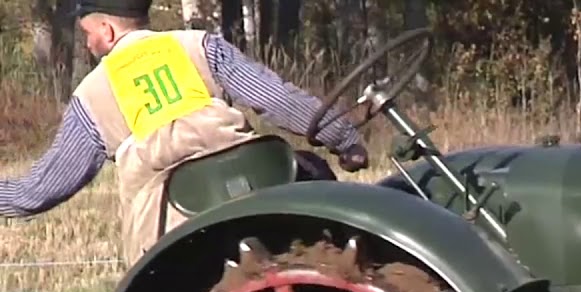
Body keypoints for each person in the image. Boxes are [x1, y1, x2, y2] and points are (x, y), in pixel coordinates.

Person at [0, 0, 370, 262]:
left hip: (168, 240)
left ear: (107, 30)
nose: (87, 44)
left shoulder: (92, 97)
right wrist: (344, 138)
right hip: (257, 196)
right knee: (313, 171)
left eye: (87, 34)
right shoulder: (201, 46)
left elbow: (36, 192)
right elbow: (280, 101)